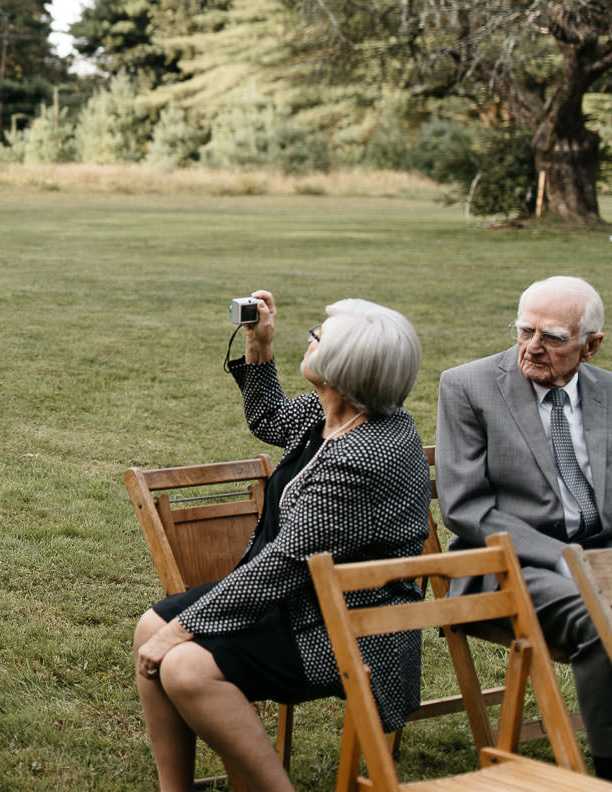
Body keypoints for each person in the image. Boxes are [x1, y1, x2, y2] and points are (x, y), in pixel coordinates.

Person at [135, 291, 428, 792]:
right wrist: (259, 344)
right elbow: (269, 417)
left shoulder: (365, 455)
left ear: (342, 367)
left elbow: (287, 561)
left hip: (351, 624)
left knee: (184, 666)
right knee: (151, 625)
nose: (310, 337)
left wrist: (183, 630)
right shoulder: (334, 415)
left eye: (318, 336)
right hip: (302, 600)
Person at [437, 275, 612, 785]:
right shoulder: (468, 386)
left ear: (591, 346)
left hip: (602, 555)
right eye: (525, 331)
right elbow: (466, 509)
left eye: (553, 337)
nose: (533, 347)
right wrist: (571, 561)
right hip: (510, 562)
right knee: (605, 616)